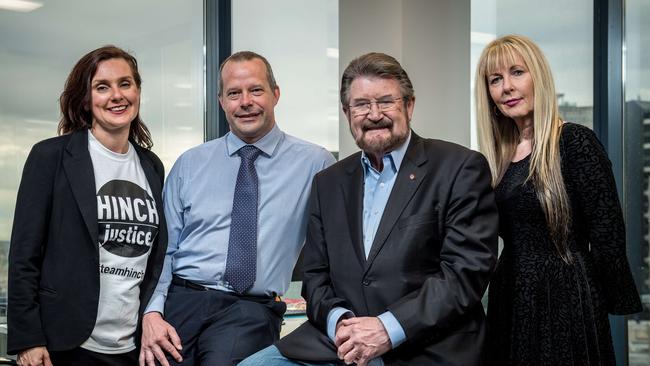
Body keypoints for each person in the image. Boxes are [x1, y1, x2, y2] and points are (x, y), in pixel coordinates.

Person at [241, 52, 499, 366]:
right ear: (347, 112)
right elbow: (315, 277)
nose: (374, 114)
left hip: (423, 344)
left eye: (386, 101)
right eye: (361, 104)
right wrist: (340, 323)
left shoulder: (458, 168)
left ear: (409, 105)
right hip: (337, 342)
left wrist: (386, 328)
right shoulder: (329, 181)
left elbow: (463, 275)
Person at [139, 50, 336, 366]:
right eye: (234, 93)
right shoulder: (190, 164)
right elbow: (164, 250)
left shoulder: (316, 164)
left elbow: (335, 247)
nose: (245, 101)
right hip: (181, 301)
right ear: (221, 102)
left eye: (256, 90)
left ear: (275, 94)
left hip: (250, 308)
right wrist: (152, 312)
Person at [474, 34, 642, 365]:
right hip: (510, 292)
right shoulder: (499, 159)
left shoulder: (575, 142)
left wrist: (604, 301)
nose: (507, 87)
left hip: (564, 295)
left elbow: (607, 232)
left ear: (539, 76)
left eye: (517, 72)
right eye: (496, 79)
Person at [8, 45, 167, 366]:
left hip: (131, 345)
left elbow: (154, 261)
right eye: (102, 87)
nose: (116, 95)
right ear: (86, 98)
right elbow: (24, 255)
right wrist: (29, 339)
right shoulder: (51, 157)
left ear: (137, 90)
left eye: (125, 83)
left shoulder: (151, 166)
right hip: (63, 343)